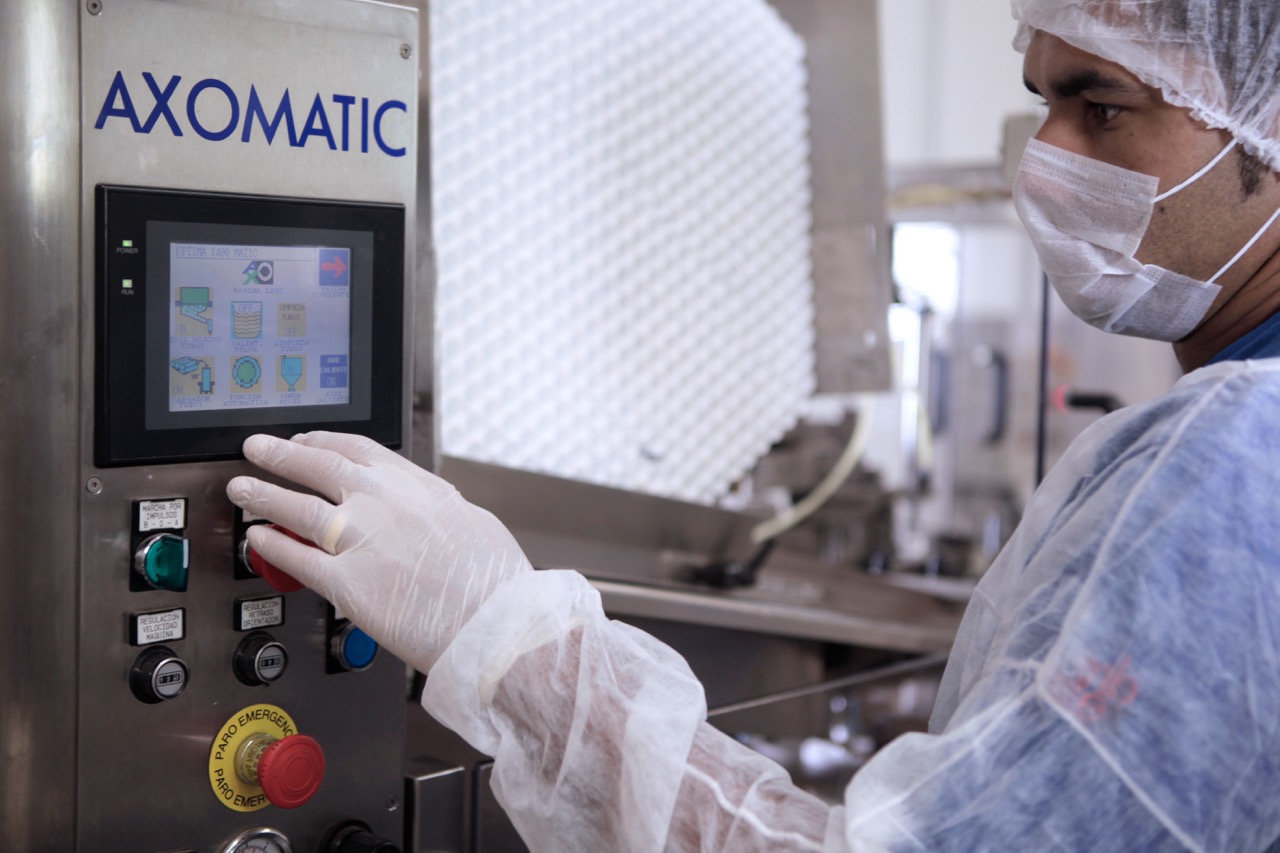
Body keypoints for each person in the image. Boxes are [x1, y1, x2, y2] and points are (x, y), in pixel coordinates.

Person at [227, 0, 1280, 848]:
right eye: (1041, 99)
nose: (1041, 158)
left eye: (1099, 105)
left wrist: (499, 634)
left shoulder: (1237, 454)